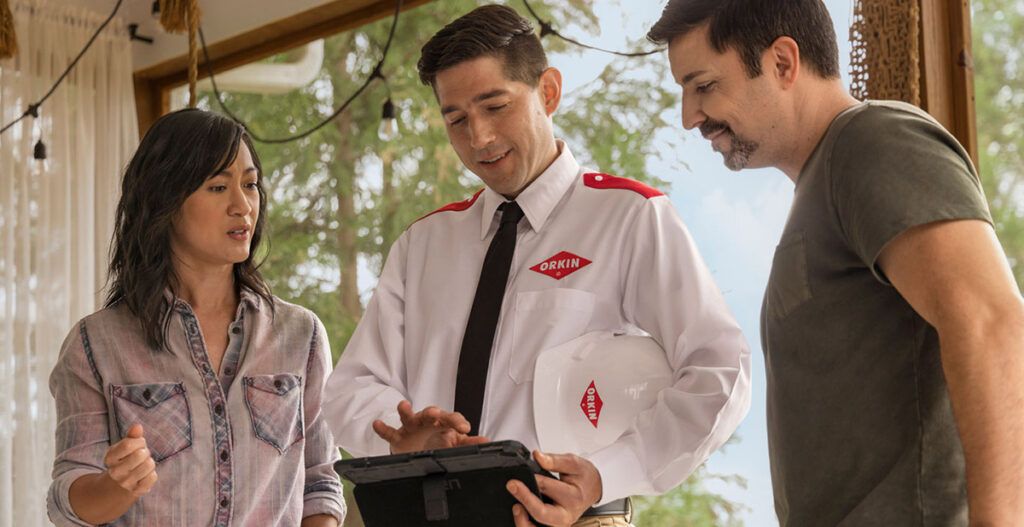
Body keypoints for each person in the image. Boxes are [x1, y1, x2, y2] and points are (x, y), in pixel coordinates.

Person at [323, 5, 751, 527]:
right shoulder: (422, 245)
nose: (478, 137)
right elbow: (348, 389)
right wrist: (400, 433)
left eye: (495, 106)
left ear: (548, 92)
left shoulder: (629, 218)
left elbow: (720, 370)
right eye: (455, 118)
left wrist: (606, 472)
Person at [647, 1, 1024, 524]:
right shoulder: (822, 186)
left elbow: (992, 325)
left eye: (704, 85)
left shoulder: (873, 142)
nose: (690, 117)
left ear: (782, 62)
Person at [47, 109, 345, 526]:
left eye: (250, 184)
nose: (242, 205)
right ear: (165, 201)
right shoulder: (95, 344)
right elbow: (68, 502)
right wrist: (117, 486)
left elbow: (321, 483)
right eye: (218, 186)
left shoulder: (302, 335)